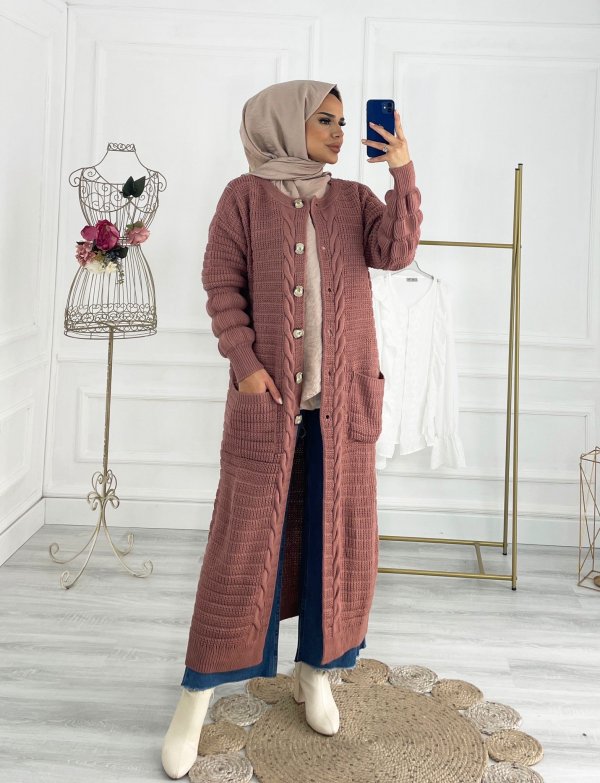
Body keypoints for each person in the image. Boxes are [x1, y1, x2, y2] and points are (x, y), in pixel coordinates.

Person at [162, 79, 422, 779]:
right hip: (268, 406)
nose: (339, 133)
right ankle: (196, 694)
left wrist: (400, 169)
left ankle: (316, 672)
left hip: (342, 410)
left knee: (335, 545)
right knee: (240, 551)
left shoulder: (353, 199)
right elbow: (221, 287)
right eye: (324, 121)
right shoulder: (242, 199)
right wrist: (246, 365)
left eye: (342, 122)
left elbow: (397, 251)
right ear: (283, 125)